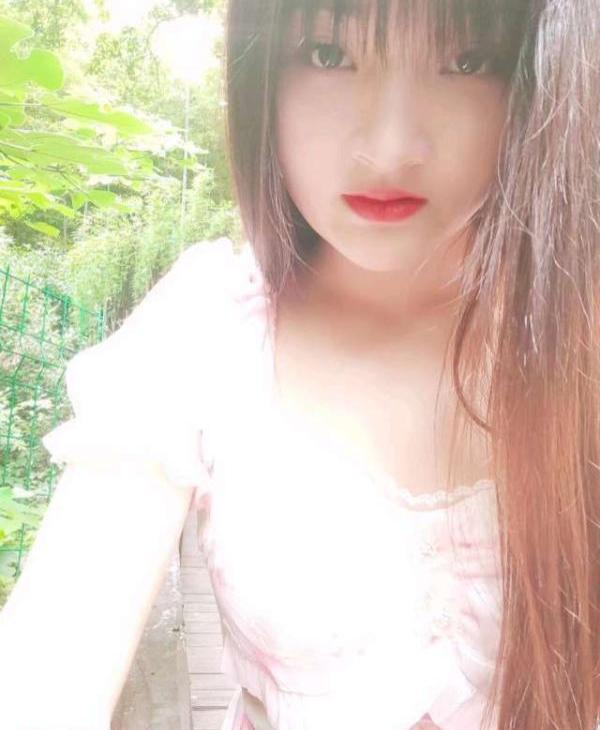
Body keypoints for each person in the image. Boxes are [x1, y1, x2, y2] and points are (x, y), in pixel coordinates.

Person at [0, 0, 598, 728]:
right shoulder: (206, 331)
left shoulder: (580, 335)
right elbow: (47, 673)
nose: (390, 146)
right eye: (327, 55)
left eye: (467, 61)